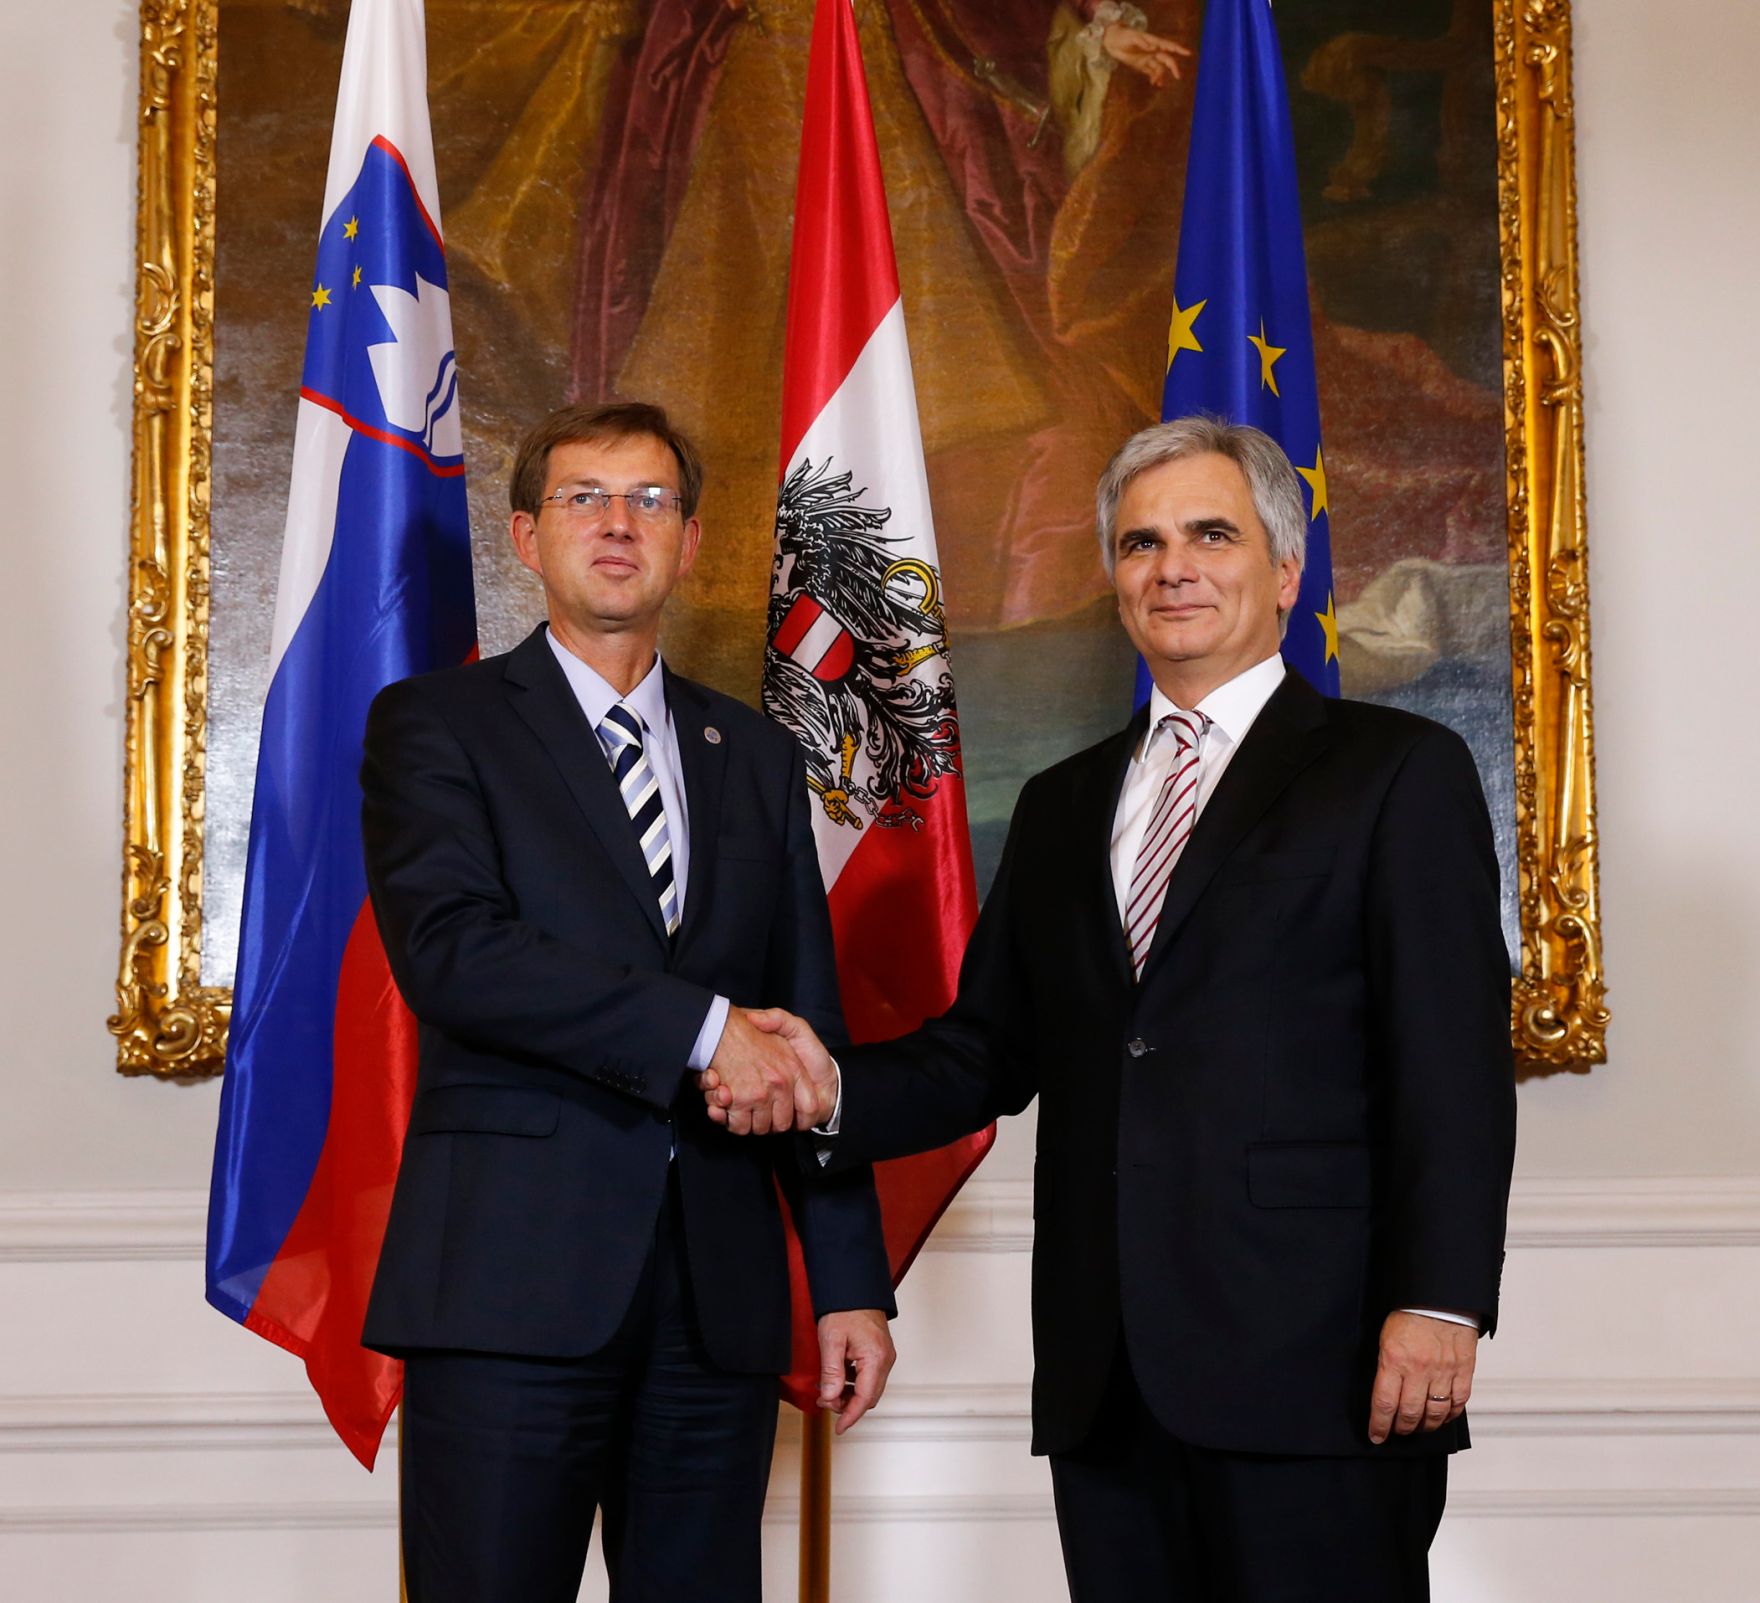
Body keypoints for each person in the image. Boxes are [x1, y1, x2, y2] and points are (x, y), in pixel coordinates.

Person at [705, 416, 1517, 1600]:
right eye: (1139, 542)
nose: (1169, 565)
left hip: (1323, 1359)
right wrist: (824, 1082)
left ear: (1284, 570)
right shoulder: (1060, 801)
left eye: (1208, 534)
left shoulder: (1395, 772)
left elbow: (1447, 1061)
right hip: (1106, 1371)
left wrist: (1438, 1299)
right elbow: (984, 1050)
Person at [359, 401, 893, 1603]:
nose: (616, 523)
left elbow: (804, 1023)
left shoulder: (750, 753)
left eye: (648, 500)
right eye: (583, 497)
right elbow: (452, 953)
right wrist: (703, 1029)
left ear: (689, 541)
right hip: (507, 1289)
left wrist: (848, 1276)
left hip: (716, 1307)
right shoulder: (435, 726)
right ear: (525, 535)